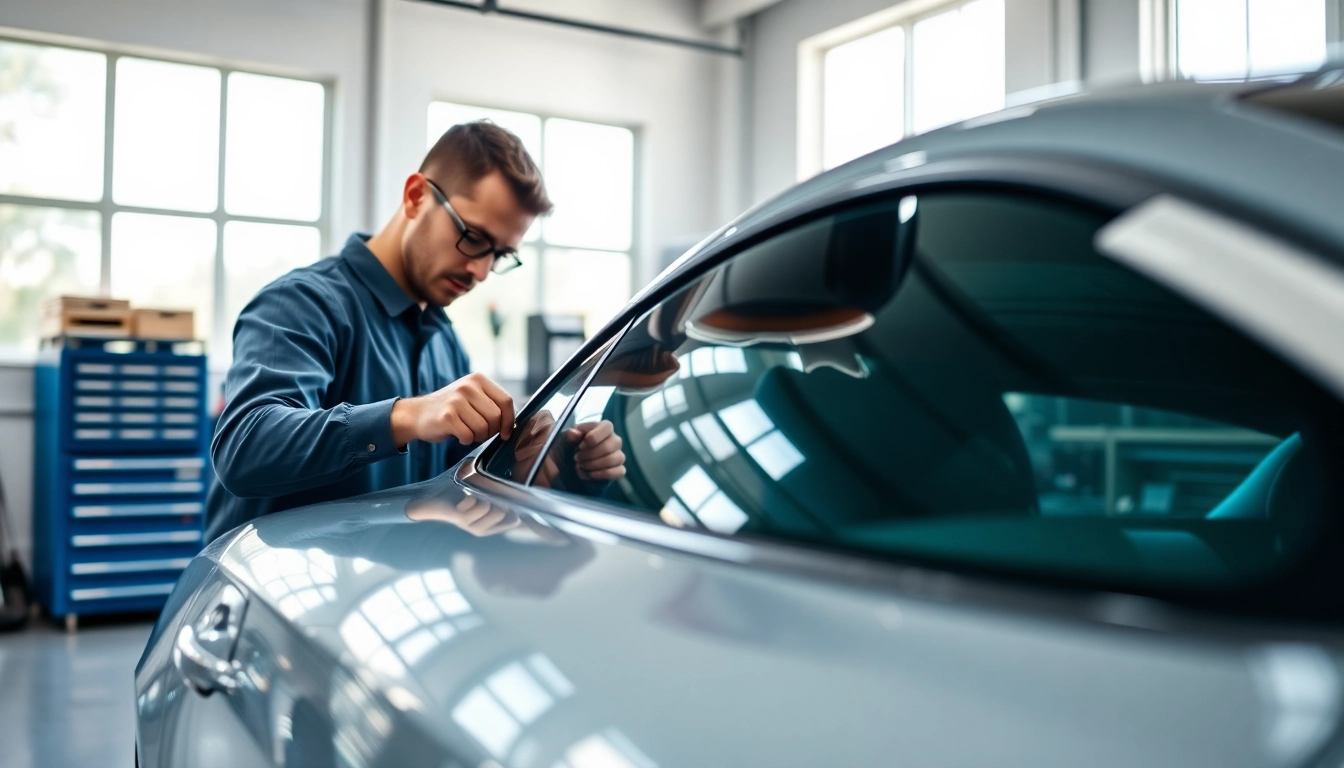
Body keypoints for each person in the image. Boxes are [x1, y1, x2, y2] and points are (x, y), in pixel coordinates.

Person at [205, 121, 624, 541]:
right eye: (473, 237)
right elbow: (244, 446)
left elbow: (460, 491)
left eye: (499, 255)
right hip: (270, 594)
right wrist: (406, 416)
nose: (480, 270)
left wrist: (548, 464)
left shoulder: (445, 344)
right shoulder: (301, 303)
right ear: (416, 196)